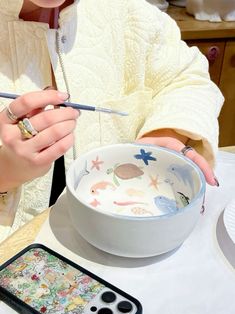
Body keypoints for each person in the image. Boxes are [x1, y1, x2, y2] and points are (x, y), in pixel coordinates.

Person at [0, 0, 224, 242]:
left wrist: (167, 131)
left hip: (128, 242)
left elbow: (188, 78)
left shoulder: (128, 11)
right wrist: (5, 172)